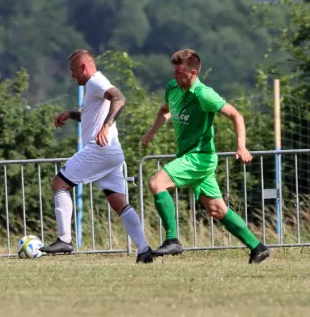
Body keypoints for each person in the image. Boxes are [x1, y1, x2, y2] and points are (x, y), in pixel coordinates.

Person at [141, 48, 270, 264]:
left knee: (156, 183)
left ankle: (172, 239)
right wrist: (151, 132)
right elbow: (165, 110)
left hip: (200, 156)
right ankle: (258, 248)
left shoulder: (204, 94)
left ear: (192, 73)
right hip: (189, 157)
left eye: (179, 72)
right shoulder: (173, 87)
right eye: (174, 71)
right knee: (217, 210)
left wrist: (241, 146)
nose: (175, 75)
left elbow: (236, 115)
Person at [39, 49, 154, 263]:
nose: (72, 75)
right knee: (119, 203)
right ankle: (144, 249)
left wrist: (106, 127)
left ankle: (64, 240)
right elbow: (90, 116)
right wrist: (70, 115)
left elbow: (119, 98)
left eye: (73, 70)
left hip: (100, 149)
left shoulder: (95, 82)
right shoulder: (94, 85)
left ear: (83, 67)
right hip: (113, 152)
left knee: (59, 184)